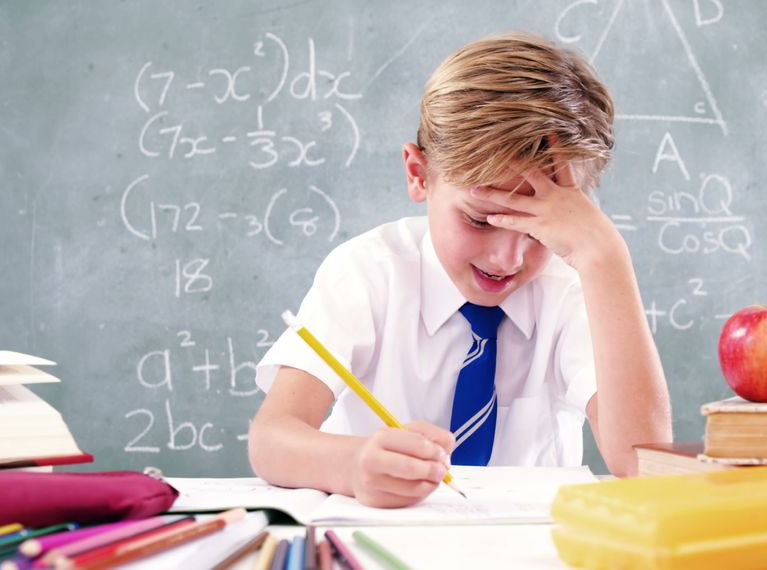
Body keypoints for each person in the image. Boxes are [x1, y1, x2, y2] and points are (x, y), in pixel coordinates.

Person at [249, 32, 671, 508]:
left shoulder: (574, 290)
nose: (506, 259)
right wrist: (350, 465)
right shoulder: (366, 273)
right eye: (479, 219)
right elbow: (272, 438)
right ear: (418, 175)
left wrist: (606, 257)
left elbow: (642, 464)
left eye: (541, 229)